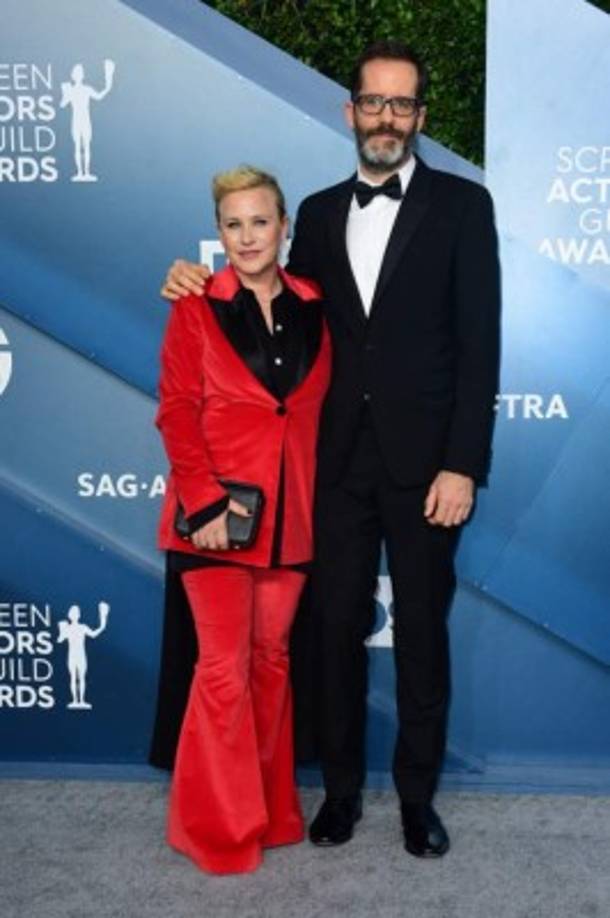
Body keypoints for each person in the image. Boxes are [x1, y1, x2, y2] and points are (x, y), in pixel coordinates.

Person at [161, 40, 500, 859]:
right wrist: (191, 279)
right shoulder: (310, 213)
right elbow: (272, 301)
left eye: (402, 104)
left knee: (422, 634)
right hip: (332, 469)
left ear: (420, 116)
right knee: (332, 633)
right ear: (349, 111)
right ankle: (340, 794)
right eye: (373, 103)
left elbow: (479, 343)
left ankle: (417, 801)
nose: (386, 118)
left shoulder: (463, 206)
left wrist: (463, 464)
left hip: (427, 472)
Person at [156, 165, 331, 874]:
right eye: (235, 224)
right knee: (224, 671)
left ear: (284, 227)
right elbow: (176, 410)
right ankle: (218, 831)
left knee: (271, 666)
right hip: (215, 521)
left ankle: (270, 813)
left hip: (291, 521)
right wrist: (201, 504)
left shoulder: (317, 303)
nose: (249, 236)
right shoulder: (195, 304)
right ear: (219, 232)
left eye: (262, 221)